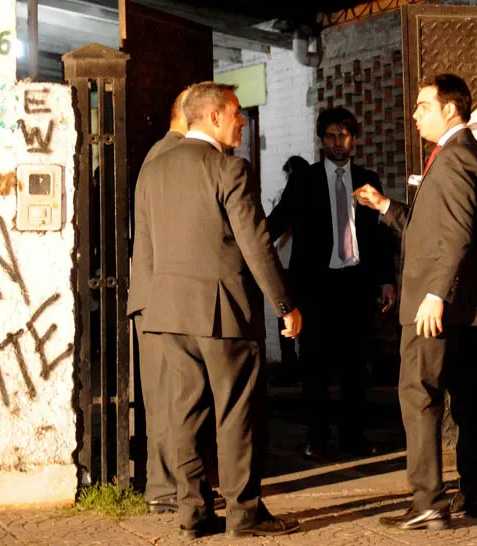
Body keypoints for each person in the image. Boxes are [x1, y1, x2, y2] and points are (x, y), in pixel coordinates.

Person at [132, 81, 302, 538]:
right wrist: (284, 304)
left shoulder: (152, 170)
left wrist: (152, 309)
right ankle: (244, 516)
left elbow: (144, 247)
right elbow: (256, 245)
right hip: (224, 313)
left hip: (167, 313)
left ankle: (193, 515)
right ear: (213, 117)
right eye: (236, 113)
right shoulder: (229, 169)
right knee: (236, 415)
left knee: (184, 416)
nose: (242, 122)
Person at [354, 73, 477, 530]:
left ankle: (428, 500)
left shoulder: (455, 157)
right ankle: (475, 495)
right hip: (458, 303)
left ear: (449, 110)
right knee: (465, 398)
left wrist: (434, 295)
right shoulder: (457, 154)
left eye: (423, 106)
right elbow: (430, 226)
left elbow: (454, 234)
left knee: (418, 395)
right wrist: (386, 208)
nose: (414, 115)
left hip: (435, 303)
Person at [267, 108, 396, 459]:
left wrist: (386, 279)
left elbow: (380, 235)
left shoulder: (368, 180)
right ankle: (317, 437)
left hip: (355, 285)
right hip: (315, 289)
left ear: (354, 138)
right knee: (315, 368)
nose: (337, 143)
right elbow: (274, 224)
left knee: (356, 367)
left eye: (344, 136)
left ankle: (354, 437)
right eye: (330, 136)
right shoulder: (304, 180)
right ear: (321, 140)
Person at [127, 88, 188, 514]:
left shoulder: (166, 154)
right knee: (167, 396)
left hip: (161, 297)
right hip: (161, 299)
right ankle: (163, 490)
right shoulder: (170, 157)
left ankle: (175, 486)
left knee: (173, 395)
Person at [271, 156, 309, 373]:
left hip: (290, 261)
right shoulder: (287, 193)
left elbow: (279, 223)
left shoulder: (293, 193)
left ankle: (291, 362)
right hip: (286, 260)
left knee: (287, 311)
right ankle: (292, 361)